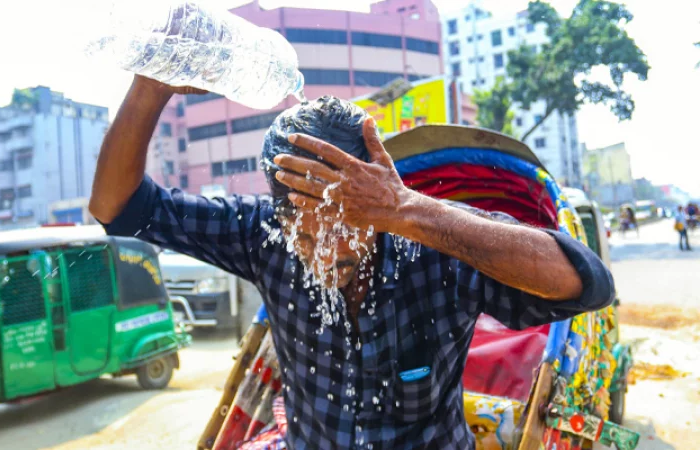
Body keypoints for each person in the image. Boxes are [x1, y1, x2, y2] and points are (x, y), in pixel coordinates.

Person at [89, 76, 615, 450]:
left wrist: (407, 209)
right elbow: (117, 208)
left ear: (376, 195)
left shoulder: (435, 244)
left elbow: (587, 284)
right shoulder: (263, 236)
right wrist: (150, 87)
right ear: (279, 214)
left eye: (346, 220)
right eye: (306, 226)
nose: (327, 247)